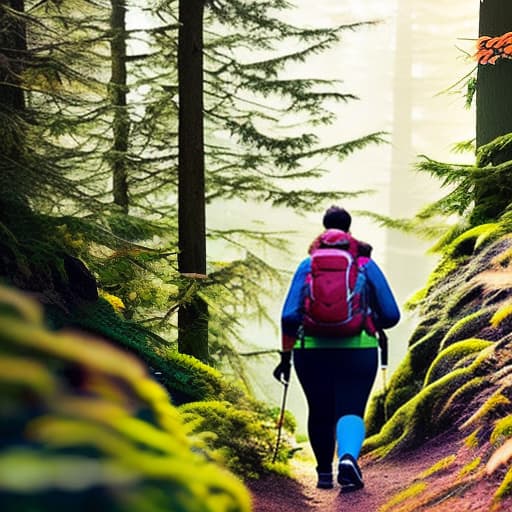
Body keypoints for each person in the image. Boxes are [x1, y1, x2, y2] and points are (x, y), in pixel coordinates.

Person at [273, 206, 400, 492]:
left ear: (324, 229)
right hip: (359, 350)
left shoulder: (308, 265)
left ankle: (323, 475)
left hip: (311, 352)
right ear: (349, 230)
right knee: (351, 409)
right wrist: (367, 321)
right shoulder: (364, 264)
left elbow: (288, 317)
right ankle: (347, 459)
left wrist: (285, 357)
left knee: (319, 411)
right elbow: (391, 315)